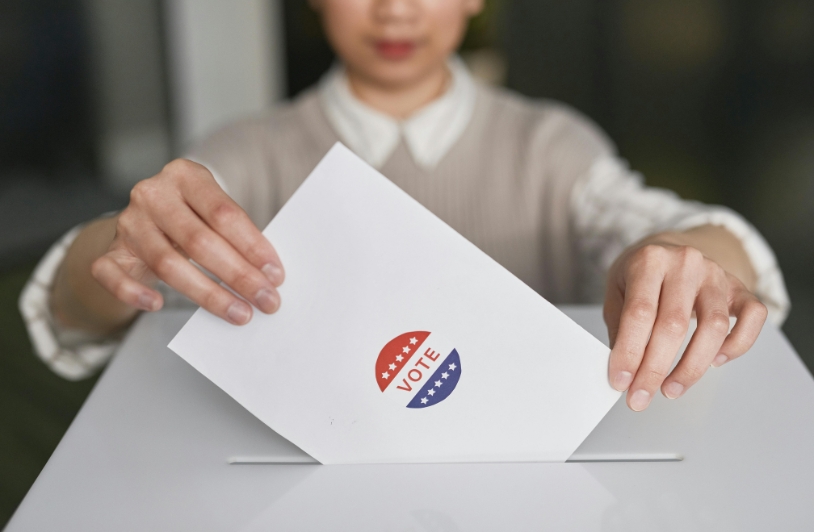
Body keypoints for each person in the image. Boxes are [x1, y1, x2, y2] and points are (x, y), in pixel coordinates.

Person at [20, 0, 788, 413]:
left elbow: (661, 226)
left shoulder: (550, 143)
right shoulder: (245, 150)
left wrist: (688, 262)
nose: (394, 10)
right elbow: (70, 314)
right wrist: (117, 248)